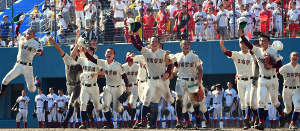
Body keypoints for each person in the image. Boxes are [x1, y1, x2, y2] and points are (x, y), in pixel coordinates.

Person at [238, 28, 285, 130]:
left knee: (274, 102)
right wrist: (242, 35)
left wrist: (271, 66)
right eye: (261, 41)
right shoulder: (257, 50)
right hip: (262, 79)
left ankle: (281, 114)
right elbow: (249, 44)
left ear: (269, 42)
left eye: (264, 40)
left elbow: (280, 63)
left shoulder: (272, 51)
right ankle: (261, 123)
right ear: (259, 42)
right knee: (260, 101)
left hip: (272, 79)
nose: (262, 42)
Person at [80, 46, 133, 129]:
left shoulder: (117, 65)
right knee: (105, 106)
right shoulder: (103, 62)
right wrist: (85, 52)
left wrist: (127, 88)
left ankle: (127, 107)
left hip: (117, 88)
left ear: (114, 56)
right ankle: (110, 123)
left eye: (111, 52)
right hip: (108, 87)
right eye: (108, 52)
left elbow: (125, 76)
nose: (109, 53)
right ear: (105, 54)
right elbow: (92, 59)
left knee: (117, 109)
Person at [129, 31, 174, 128]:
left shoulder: (163, 53)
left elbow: (170, 63)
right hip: (149, 80)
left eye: (156, 42)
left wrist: (168, 73)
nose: (154, 43)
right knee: (145, 101)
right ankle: (142, 121)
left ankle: (179, 109)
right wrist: (132, 35)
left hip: (162, 80)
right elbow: (137, 46)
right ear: (149, 43)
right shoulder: (146, 52)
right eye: (152, 41)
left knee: (166, 100)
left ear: (159, 44)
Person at [0, 20, 44, 97]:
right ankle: (2, 93)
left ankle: (37, 82)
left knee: (31, 89)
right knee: (5, 80)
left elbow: (41, 52)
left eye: (31, 31)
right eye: (28, 30)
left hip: (28, 67)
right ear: (25, 32)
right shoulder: (21, 38)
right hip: (18, 65)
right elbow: (16, 31)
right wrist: (19, 23)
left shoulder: (35, 42)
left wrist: (39, 53)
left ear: (33, 34)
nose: (29, 32)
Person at [51, 31, 83, 128]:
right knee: (77, 104)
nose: (74, 51)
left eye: (76, 50)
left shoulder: (81, 60)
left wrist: (78, 41)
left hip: (77, 85)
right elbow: (59, 48)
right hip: (69, 86)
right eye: (72, 49)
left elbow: (76, 52)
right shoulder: (67, 59)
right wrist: (52, 40)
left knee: (71, 102)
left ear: (79, 52)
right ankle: (88, 111)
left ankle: (65, 121)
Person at [279, 51, 300, 129]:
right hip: (287, 89)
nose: (295, 56)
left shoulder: (299, 67)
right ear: (290, 58)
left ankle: (292, 123)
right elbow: (277, 75)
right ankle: (282, 115)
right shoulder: (285, 67)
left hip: (296, 89)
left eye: (296, 55)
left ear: (298, 58)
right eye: (293, 55)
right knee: (288, 109)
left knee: (298, 106)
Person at [122, 51, 139, 127]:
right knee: (131, 106)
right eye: (127, 55)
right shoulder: (123, 66)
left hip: (135, 86)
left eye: (130, 55)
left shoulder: (137, 66)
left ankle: (131, 119)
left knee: (132, 102)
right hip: (126, 87)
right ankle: (132, 120)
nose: (129, 56)